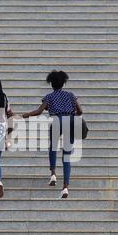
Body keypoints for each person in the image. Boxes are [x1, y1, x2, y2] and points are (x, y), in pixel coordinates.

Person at [23, 70, 83, 199]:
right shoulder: (71, 95)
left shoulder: (49, 97)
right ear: (63, 83)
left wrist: (26, 115)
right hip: (70, 121)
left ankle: (53, 174)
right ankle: (65, 187)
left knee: (53, 147)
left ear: (51, 84)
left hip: (56, 121)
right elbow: (80, 110)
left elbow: (39, 111)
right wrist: (73, 115)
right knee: (67, 155)